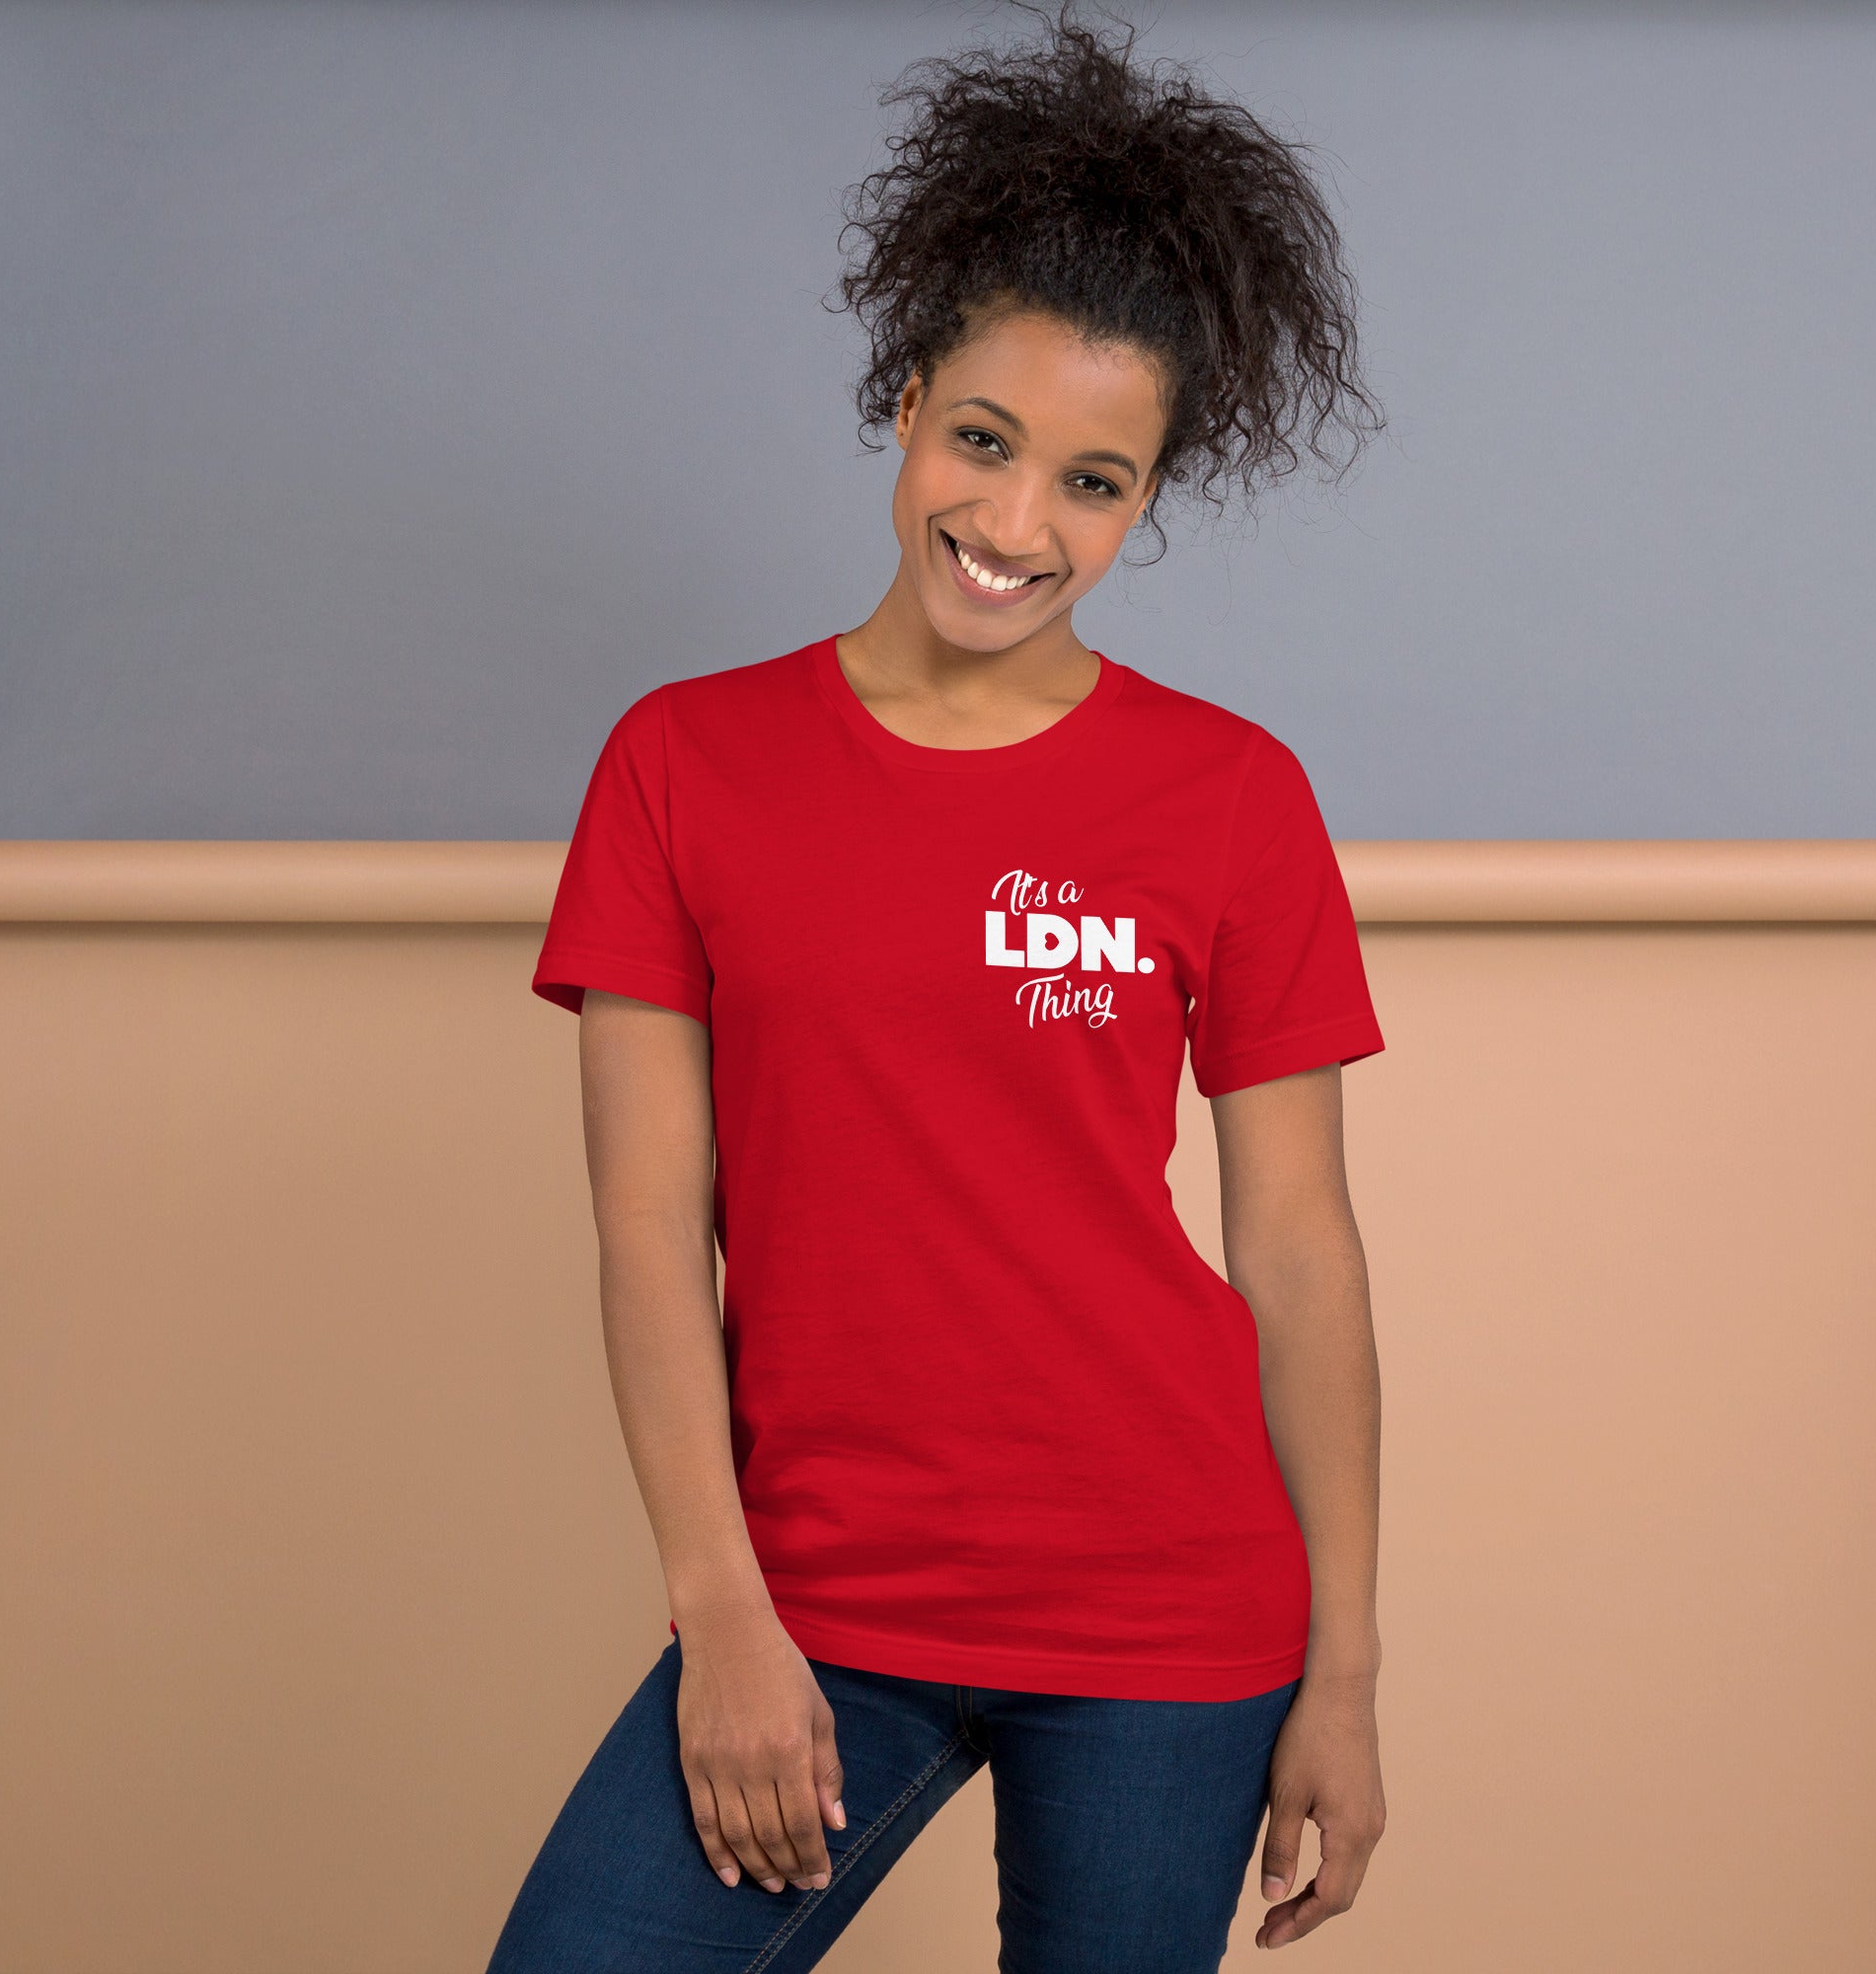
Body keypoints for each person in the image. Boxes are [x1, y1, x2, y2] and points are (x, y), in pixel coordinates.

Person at [487, 8, 1389, 1968]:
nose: (1015, 523)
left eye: (1093, 479)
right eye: (983, 440)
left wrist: (1345, 1665)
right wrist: (719, 1606)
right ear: (904, 401)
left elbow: (1299, 1254)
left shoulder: (1230, 798)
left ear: (1147, 495)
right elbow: (653, 1223)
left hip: (1170, 1610)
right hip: (818, 1595)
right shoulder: (684, 763)